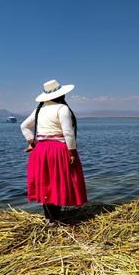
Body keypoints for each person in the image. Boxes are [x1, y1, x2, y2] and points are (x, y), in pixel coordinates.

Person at [20, 79, 87, 224]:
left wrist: (31, 142)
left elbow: (24, 126)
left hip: (40, 150)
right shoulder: (62, 109)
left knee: (46, 183)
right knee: (58, 182)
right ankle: (56, 220)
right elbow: (68, 133)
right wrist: (72, 152)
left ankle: (49, 219)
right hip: (57, 150)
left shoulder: (39, 109)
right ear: (62, 94)